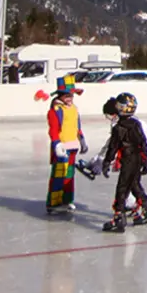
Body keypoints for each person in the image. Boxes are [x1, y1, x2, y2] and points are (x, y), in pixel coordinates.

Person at [101, 92, 147, 232]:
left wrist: (107, 162)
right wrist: (145, 160)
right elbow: (143, 143)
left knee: (122, 188)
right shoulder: (136, 124)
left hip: (128, 160)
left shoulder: (119, 128)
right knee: (135, 186)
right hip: (137, 159)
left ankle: (119, 218)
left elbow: (113, 147)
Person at [45, 76, 88, 214]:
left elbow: (77, 126)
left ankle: (67, 200)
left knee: (69, 175)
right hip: (62, 147)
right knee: (59, 175)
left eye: (71, 95)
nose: (70, 98)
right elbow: (53, 129)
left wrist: (82, 140)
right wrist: (56, 144)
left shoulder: (74, 108)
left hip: (73, 146)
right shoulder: (56, 110)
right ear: (61, 95)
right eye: (67, 95)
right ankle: (53, 203)